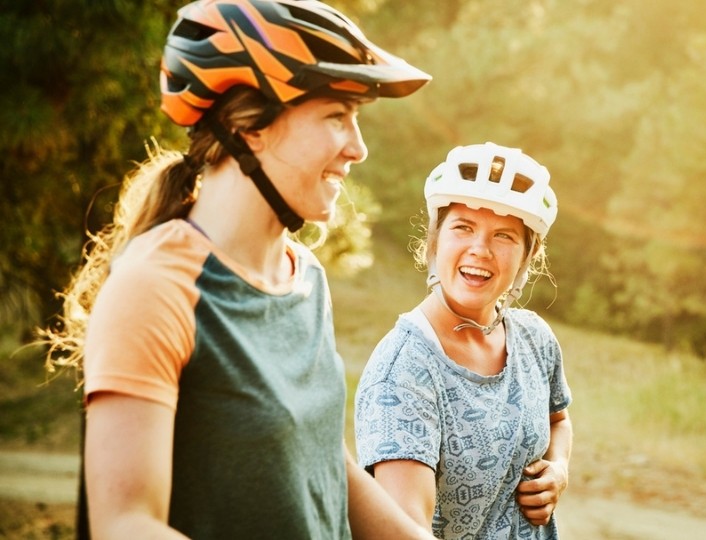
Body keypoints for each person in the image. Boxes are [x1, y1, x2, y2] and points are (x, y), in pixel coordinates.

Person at [40, 1, 437, 538]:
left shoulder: (304, 277)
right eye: (335, 117)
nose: (358, 148)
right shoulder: (158, 286)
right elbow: (127, 523)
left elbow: (326, 464)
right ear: (248, 127)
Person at [354, 142, 574, 539]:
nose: (480, 249)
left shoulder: (534, 339)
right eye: (463, 228)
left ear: (527, 256)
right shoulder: (404, 372)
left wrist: (558, 468)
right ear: (435, 241)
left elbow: (558, 419)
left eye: (504, 235)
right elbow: (405, 532)